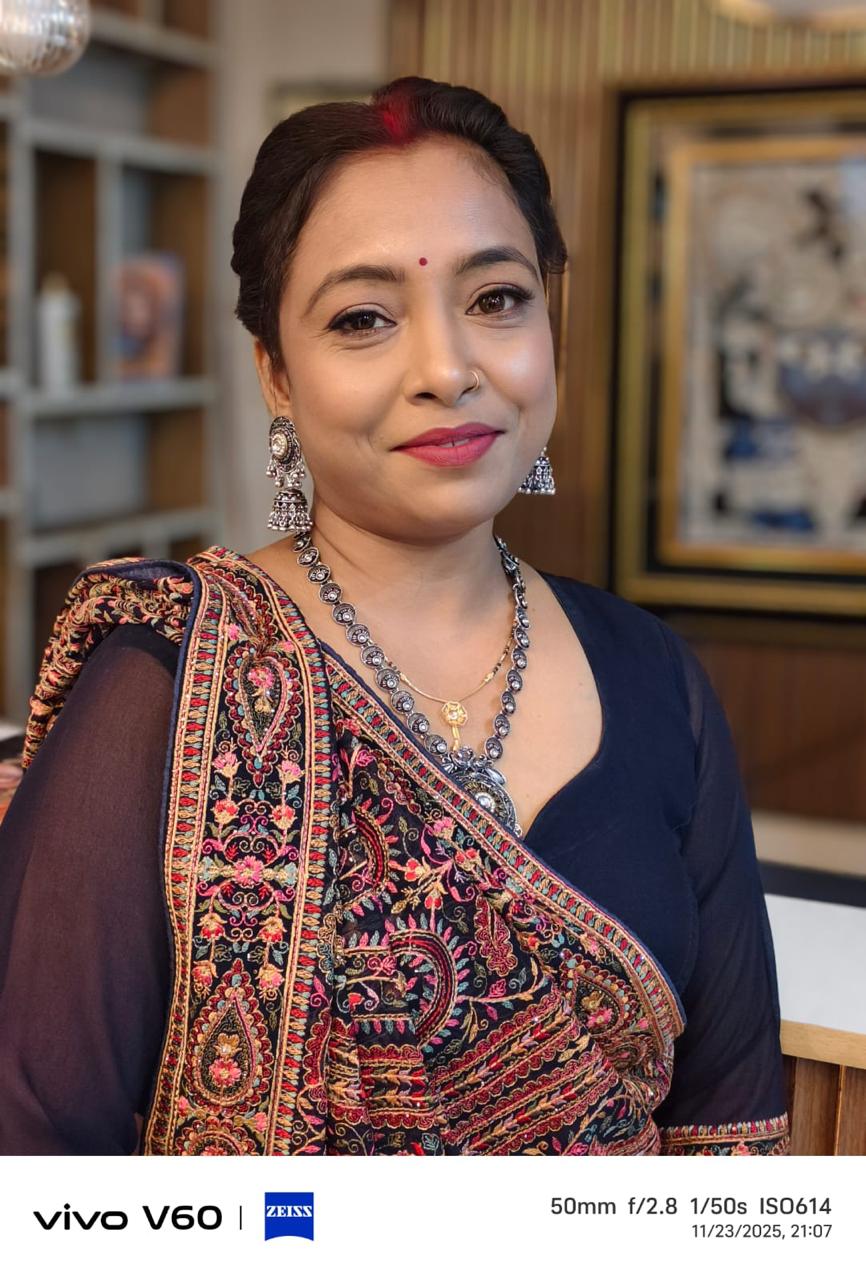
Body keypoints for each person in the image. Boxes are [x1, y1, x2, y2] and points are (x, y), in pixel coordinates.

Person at [0, 76, 789, 1156]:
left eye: (497, 299)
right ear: (276, 373)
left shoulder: (656, 677)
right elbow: (35, 1160)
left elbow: (729, 1139)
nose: (447, 369)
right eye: (363, 318)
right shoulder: (169, 678)